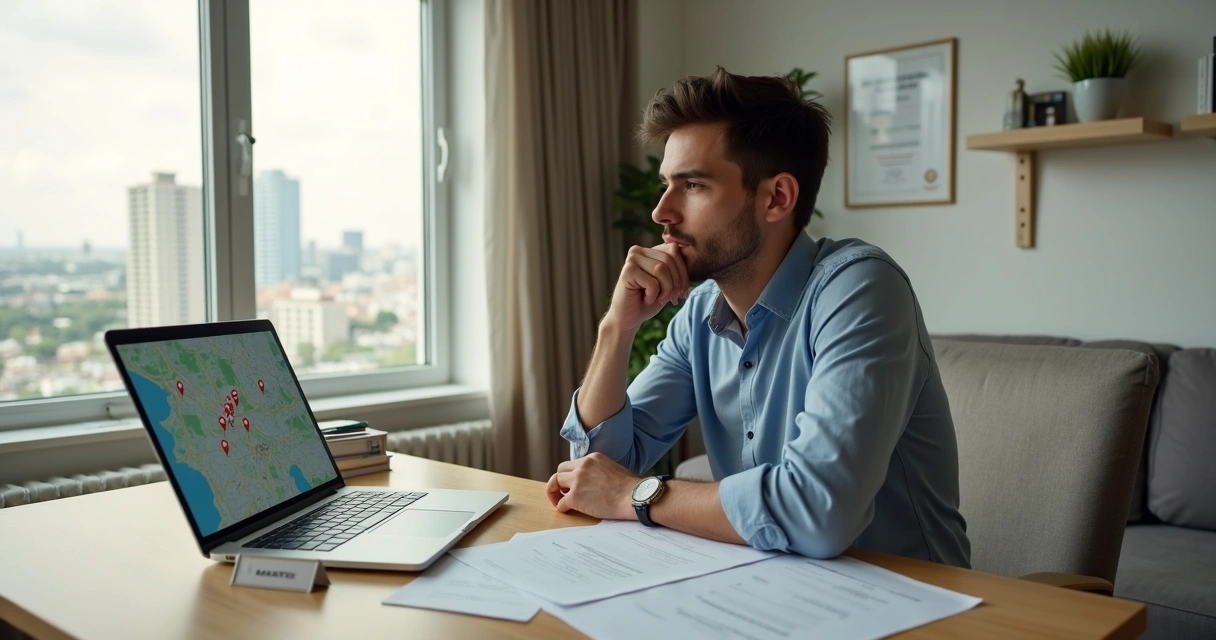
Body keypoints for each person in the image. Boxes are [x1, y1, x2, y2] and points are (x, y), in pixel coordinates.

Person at [546, 67, 970, 568]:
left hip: (912, 602)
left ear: (777, 198)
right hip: (769, 589)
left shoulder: (861, 290)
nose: (662, 211)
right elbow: (596, 471)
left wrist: (636, 495)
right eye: (666, 185)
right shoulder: (700, 315)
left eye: (693, 185)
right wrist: (616, 328)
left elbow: (819, 512)